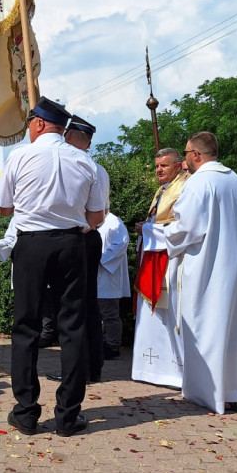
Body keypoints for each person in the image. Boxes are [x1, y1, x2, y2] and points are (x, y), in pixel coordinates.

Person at [0, 97, 105, 438]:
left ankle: (26, 412)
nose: (29, 129)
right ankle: (68, 415)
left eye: (30, 124)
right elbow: (96, 217)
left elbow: (3, 208)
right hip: (72, 243)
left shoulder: (20, 156)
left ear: (39, 123)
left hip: (32, 245)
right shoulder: (85, 162)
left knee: (26, 326)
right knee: (73, 327)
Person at [162, 132, 237, 414]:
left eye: (185, 154)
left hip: (209, 266)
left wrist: (162, 234)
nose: (184, 162)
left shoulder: (200, 183)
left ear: (196, 154)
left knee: (206, 326)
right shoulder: (236, 180)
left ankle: (210, 392)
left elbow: (187, 228)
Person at [130, 148, 189, 387]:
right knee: (153, 315)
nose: (159, 170)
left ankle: (174, 369)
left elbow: (181, 225)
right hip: (154, 254)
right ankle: (151, 367)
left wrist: (147, 228)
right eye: (156, 167)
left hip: (171, 258)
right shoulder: (162, 189)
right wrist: (146, 226)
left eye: (164, 166)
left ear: (178, 165)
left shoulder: (186, 186)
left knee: (171, 311)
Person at [63, 114, 110, 382]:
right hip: (87, 236)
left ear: (69, 136)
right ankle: (91, 366)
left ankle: (82, 367)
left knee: (74, 305)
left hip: (81, 236)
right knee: (86, 303)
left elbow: (99, 213)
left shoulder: (85, 167)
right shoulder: (96, 167)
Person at [97, 211, 130, 359]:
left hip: (108, 276)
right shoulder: (91, 220)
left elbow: (120, 245)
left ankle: (112, 345)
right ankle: (101, 342)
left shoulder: (114, 222)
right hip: (94, 275)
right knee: (96, 313)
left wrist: (99, 259)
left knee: (109, 313)